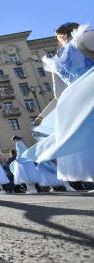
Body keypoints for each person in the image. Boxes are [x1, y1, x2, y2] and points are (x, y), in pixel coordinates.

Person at [22, 23, 94, 183]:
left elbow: (59, 95)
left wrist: (41, 117)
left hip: (77, 102)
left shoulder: (57, 60)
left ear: (60, 37)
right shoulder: (85, 37)